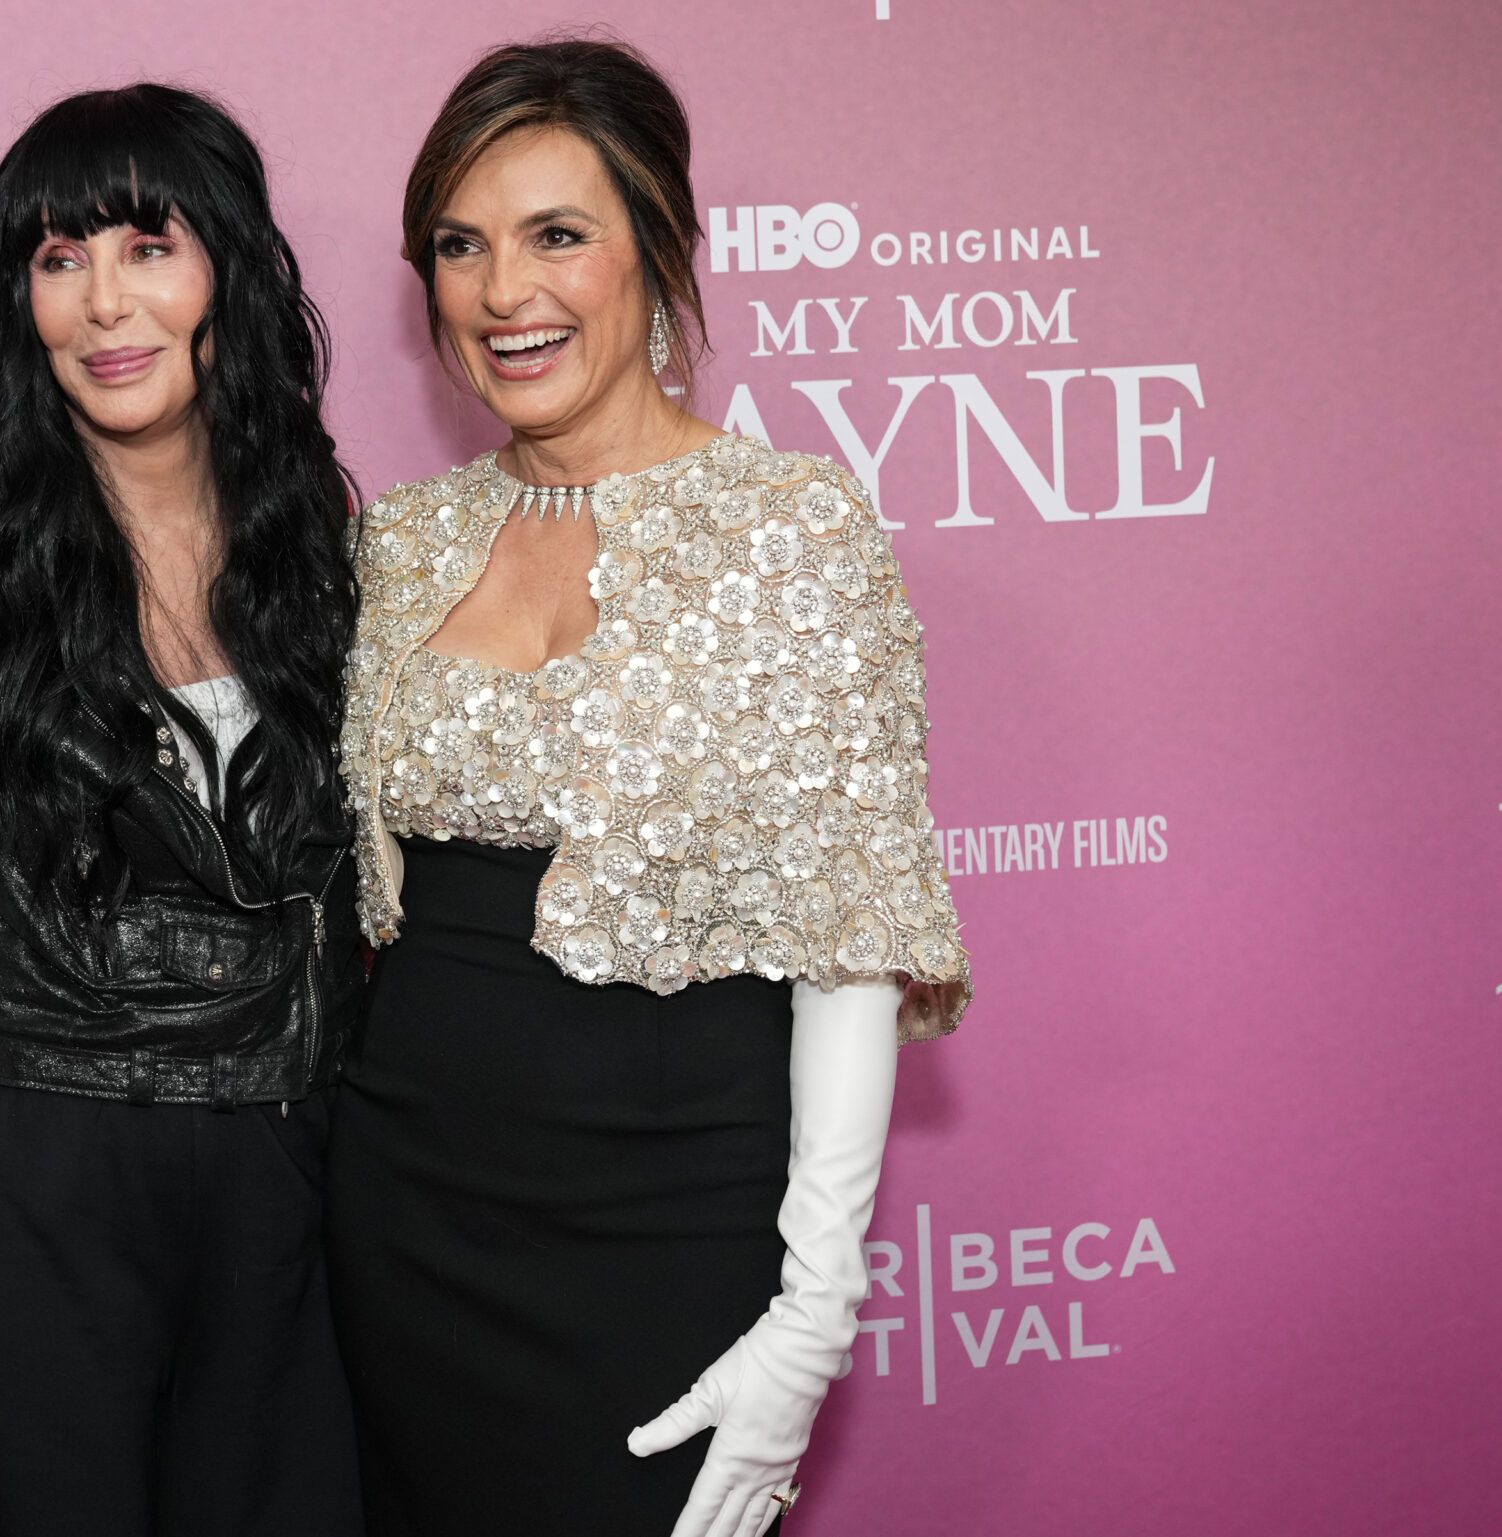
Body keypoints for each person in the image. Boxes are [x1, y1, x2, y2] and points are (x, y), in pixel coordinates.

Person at [325, 37, 975, 1537]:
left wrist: (812, 1316)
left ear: (660, 255)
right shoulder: (401, 544)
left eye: (559, 235)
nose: (506, 293)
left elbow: (852, 939)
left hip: (670, 1220)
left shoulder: (791, 529)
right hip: (403, 1212)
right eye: (463, 246)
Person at [0, 83, 366, 1537]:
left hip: (289, 1190)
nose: (102, 303)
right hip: (44, 1189)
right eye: (56, 260)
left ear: (229, 275)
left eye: (145, 246)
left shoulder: (329, 550)